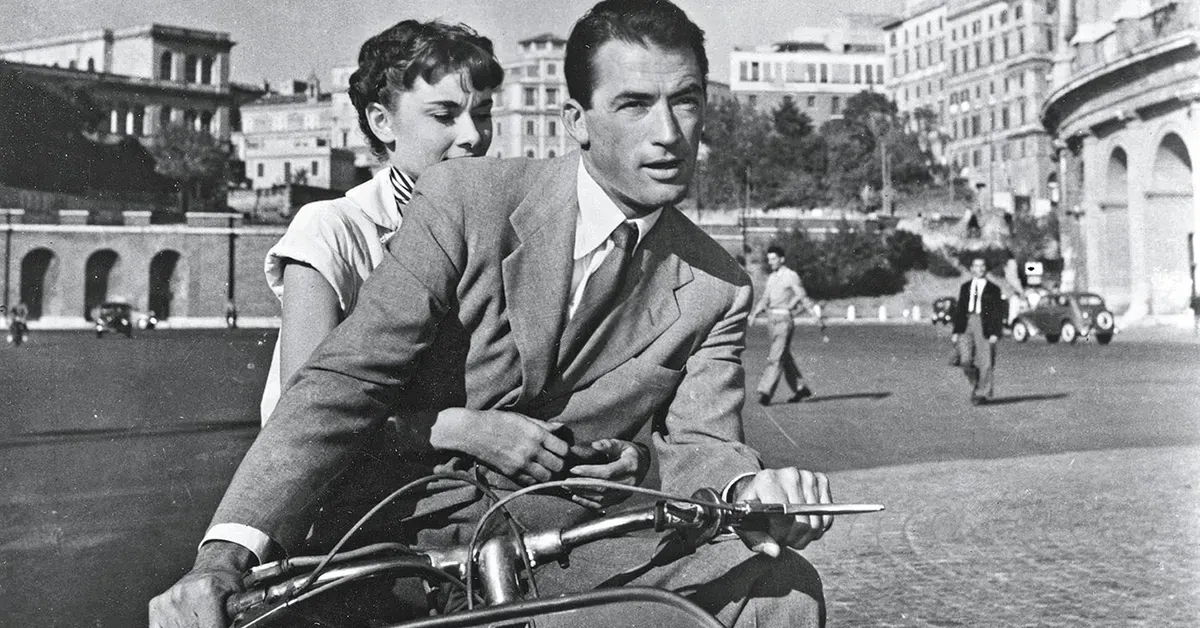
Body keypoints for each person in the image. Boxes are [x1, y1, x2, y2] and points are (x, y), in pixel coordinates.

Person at [150, 2, 835, 627]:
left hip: (575, 551)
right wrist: (223, 556)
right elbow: (340, 384)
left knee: (783, 594)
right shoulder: (464, 198)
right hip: (409, 533)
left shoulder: (718, 283)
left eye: (685, 102)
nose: (667, 133)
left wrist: (753, 485)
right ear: (577, 122)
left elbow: (703, 445)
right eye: (633, 104)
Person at [257, 19, 646, 552]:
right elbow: (308, 417)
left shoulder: (500, 226)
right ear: (381, 121)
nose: (473, 136)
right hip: (338, 523)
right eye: (445, 115)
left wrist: (605, 452)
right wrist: (464, 429)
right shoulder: (331, 228)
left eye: (482, 114)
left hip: (456, 510)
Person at [750, 245, 821, 406]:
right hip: (771, 320)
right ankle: (800, 388)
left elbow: (802, 295)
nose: (771, 262)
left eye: (774, 259)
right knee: (783, 356)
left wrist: (815, 316)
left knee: (775, 357)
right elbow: (765, 298)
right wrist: (755, 314)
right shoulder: (772, 278)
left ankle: (765, 392)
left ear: (782, 259)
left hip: (784, 320)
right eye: (769, 260)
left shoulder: (791, 275)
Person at [951, 257, 1005, 405]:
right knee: (965, 360)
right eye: (976, 266)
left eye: (983, 266)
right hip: (966, 323)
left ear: (986, 268)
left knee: (986, 360)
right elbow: (960, 310)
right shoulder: (965, 287)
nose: (980, 268)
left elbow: (998, 312)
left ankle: (981, 393)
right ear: (972, 269)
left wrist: (995, 333)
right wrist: (956, 331)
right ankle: (976, 382)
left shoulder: (994, 289)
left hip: (985, 324)